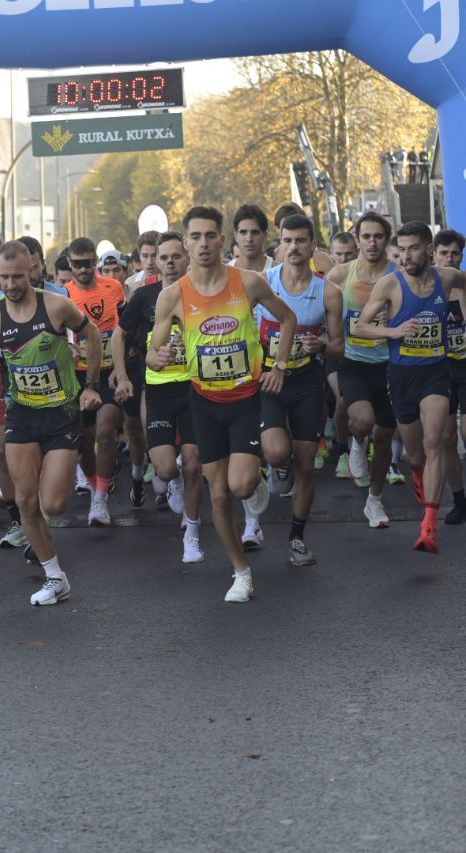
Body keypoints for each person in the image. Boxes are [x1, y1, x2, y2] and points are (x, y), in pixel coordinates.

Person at [148, 206, 297, 604]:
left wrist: (279, 365)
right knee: (217, 495)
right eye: (194, 237)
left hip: (247, 399)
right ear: (185, 242)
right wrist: (156, 358)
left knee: (241, 484)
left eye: (209, 236)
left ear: (221, 240)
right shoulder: (172, 295)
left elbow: (287, 319)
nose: (202, 244)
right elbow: (152, 351)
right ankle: (241, 572)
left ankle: (256, 477)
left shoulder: (248, 283)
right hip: (204, 401)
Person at [0, 240, 103, 606]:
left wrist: (91, 386)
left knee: (55, 504)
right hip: (22, 414)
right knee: (26, 500)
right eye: (3, 277)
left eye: (17, 277)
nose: (10, 284)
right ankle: (54, 577)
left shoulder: (56, 305)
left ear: (31, 271)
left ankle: (53, 562)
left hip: (61, 414)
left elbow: (91, 333)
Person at [355, 221, 466, 553]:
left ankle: (428, 527)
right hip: (402, 376)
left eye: (413, 248)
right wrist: (393, 331)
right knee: (417, 454)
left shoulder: (446, 278)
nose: (405, 256)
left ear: (429, 250)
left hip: (436, 372)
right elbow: (360, 326)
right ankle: (418, 471)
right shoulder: (390, 284)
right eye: (400, 249)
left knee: (436, 441)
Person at [247, 214, 343, 565]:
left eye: (301, 241)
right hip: (269, 381)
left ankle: (297, 537)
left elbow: (339, 347)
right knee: (275, 452)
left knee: (306, 465)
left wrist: (323, 345)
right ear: (279, 244)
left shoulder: (328, 291)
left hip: (305, 383)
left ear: (312, 246)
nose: (293, 247)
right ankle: (277, 467)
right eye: (287, 240)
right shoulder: (263, 283)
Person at [113, 230, 206, 563]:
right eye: (163, 257)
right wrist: (122, 375)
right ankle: (174, 479)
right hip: (159, 391)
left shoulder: (203, 292)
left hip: (196, 389)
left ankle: (192, 534)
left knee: (195, 464)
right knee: (166, 470)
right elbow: (118, 336)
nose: (169, 263)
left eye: (175, 256)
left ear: (187, 257)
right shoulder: (144, 295)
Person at [327, 211, 399, 528]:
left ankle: (375, 500)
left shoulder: (399, 275)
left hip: (391, 365)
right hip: (354, 362)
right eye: (366, 236)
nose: (372, 242)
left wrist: (393, 319)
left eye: (378, 236)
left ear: (387, 240)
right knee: (363, 419)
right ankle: (356, 442)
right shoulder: (341, 275)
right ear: (357, 239)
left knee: (384, 438)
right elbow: (321, 309)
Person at [65, 237, 127, 527]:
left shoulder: (113, 288)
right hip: (78, 375)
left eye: (89, 263)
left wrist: (125, 363)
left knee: (105, 432)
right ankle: (93, 485)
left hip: (110, 372)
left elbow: (125, 325)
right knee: (85, 440)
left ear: (96, 263)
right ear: (70, 264)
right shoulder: (64, 295)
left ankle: (100, 499)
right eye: (77, 264)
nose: (84, 269)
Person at [433, 229, 466, 524]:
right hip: (440, 369)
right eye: (444, 253)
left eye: (455, 253)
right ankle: (459, 500)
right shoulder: (427, 289)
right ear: (434, 254)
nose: (450, 258)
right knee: (445, 438)